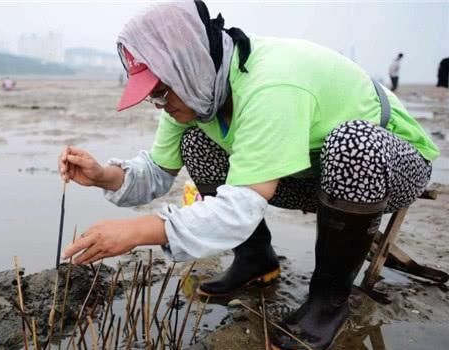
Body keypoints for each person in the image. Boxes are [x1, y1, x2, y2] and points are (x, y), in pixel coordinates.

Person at [58, 2, 439, 350]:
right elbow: (158, 171)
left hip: (387, 167)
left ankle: (328, 300)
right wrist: (103, 175)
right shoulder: (197, 92)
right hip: (311, 171)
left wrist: (138, 232)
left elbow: (240, 207)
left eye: (161, 91)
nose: (160, 105)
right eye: (152, 96)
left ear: (188, 65)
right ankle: (256, 260)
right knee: (197, 141)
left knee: (354, 144)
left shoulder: (271, 82)